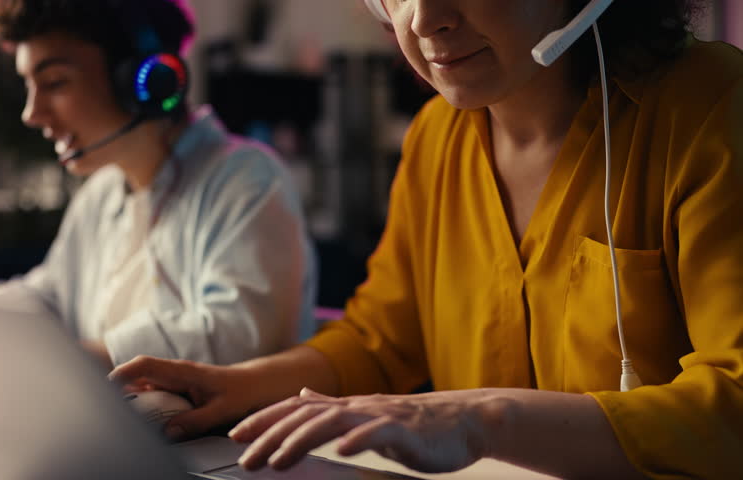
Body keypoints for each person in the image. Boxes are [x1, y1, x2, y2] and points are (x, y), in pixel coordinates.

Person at [111, 0, 743, 478]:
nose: (424, 19)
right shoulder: (437, 137)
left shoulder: (712, 107)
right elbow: (382, 342)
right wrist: (238, 385)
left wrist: (480, 419)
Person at [0, 0, 317, 369]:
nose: (32, 113)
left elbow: (240, 336)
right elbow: (49, 295)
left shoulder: (247, 180)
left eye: (54, 82)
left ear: (145, 79)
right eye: (29, 85)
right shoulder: (101, 194)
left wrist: (72, 362)